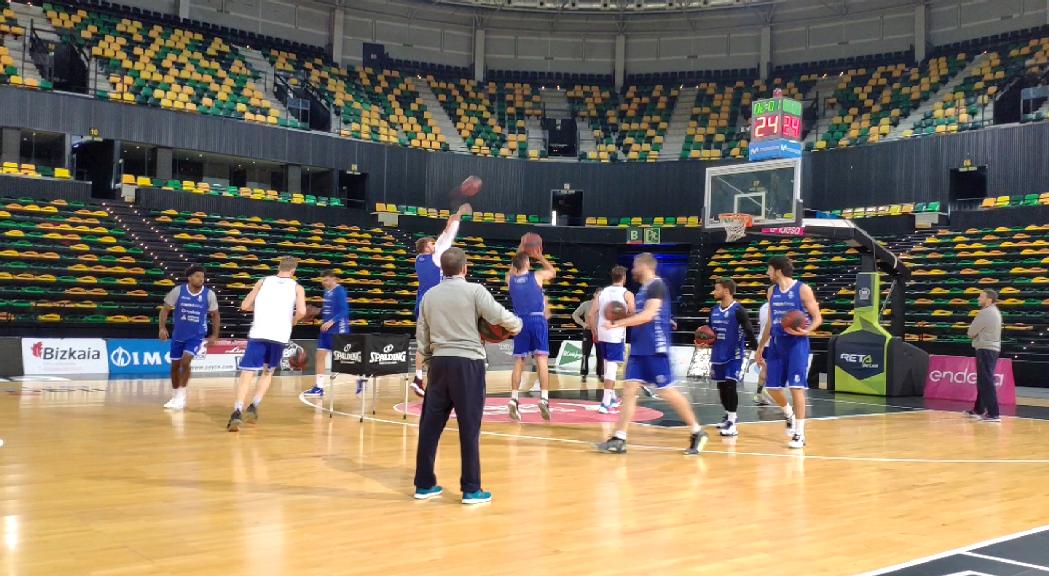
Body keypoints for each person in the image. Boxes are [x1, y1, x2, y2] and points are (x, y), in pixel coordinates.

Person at [414, 247, 522, 504]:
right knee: (469, 428)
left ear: (442, 270)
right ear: (465, 268)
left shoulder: (429, 296)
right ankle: (471, 489)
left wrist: (430, 363)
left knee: (429, 427)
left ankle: (424, 484)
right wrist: (517, 326)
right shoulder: (475, 291)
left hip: (439, 364)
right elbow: (499, 316)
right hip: (468, 365)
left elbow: (422, 336)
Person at [596, 253, 709, 455]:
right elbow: (644, 314)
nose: (632, 270)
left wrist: (616, 323)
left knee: (666, 391)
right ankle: (619, 438)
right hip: (640, 348)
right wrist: (624, 315)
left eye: (635, 265)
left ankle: (697, 430)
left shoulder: (657, 285)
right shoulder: (642, 290)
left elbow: (648, 315)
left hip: (655, 349)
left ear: (645, 266)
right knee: (630, 390)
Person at [227, 256, 307, 432]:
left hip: (259, 333)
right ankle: (254, 406)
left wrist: (262, 308)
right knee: (267, 372)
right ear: (293, 271)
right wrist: (292, 321)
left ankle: (237, 410)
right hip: (279, 336)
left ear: (279, 267)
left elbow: (245, 305)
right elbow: (302, 311)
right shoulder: (297, 287)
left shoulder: (262, 281)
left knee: (247, 373)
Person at [755, 256, 823, 449]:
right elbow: (770, 321)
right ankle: (789, 415)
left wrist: (808, 330)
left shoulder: (802, 289)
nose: (767, 273)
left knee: (796, 388)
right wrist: (760, 347)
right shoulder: (771, 291)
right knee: (772, 387)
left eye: (769, 269)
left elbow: (818, 317)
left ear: (777, 270)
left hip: (797, 344)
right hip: (777, 344)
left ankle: (800, 434)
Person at [412, 203, 469, 397]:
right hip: (435, 304)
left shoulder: (418, 260)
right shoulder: (436, 258)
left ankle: (418, 378)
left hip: (421, 304)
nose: (434, 244)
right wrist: (458, 215)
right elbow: (447, 233)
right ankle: (440, 380)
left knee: (423, 344)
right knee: (440, 343)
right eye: (431, 243)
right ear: (427, 247)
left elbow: (442, 238)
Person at [158, 263, 220, 411]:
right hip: (178, 334)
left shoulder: (209, 294)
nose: (201, 279)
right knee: (175, 366)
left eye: (203, 276)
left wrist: (214, 335)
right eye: (198, 276)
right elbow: (165, 310)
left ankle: (181, 395)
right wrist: (162, 327)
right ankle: (174, 396)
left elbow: (215, 315)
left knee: (185, 361)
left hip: (196, 335)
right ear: (189, 278)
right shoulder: (178, 291)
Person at [507, 250, 556, 421]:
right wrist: (541, 257)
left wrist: (518, 253)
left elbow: (511, 270)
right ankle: (544, 398)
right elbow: (553, 272)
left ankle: (514, 399)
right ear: (527, 263)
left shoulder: (510, 280)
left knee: (519, 362)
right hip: (537, 319)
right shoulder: (537, 276)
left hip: (519, 322)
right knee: (541, 359)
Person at [708, 278, 757, 437]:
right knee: (721, 387)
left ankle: (732, 421)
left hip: (734, 355)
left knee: (730, 385)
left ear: (726, 291)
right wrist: (704, 342)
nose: (714, 292)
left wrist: (757, 351)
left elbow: (749, 331)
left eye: (717, 289)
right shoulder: (713, 310)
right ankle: (727, 415)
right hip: (717, 354)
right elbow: (710, 334)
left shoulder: (738, 310)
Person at [588, 265, 635, 414]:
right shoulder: (627, 294)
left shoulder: (601, 293)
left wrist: (594, 331)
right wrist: (621, 316)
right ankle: (605, 403)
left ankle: (612, 397)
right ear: (624, 278)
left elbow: (590, 315)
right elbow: (633, 313)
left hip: (602, 332)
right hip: (616, 333)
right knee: (612, 369)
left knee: (608, 366)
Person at [304, 270, 350, 397]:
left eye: (326, 280)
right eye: (322, 280)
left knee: (347, 360)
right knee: (319, 356)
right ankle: (319, 388)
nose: (324, 283)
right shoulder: (326, 292)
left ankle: (360, 380)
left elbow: (344, 311)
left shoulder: (339, 291)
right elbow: (329, 309)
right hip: (326, 329)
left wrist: (331, 322)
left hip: (339, 330)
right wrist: (317, 311)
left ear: (333, 278)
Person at [966, 288, 1003, 422]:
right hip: (991, 349)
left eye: (981, 296)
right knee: (984, 380)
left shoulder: (985, 313)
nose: (978, 299)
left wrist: (974, 333)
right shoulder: (995, 311)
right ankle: (979, 409)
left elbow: (970, 332)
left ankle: (994, 414)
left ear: (989, 299)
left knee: (986, 381)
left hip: (986, 349)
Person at [571, 292, 602, 382]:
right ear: (594, 294)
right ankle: (584, 374)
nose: (600, 296)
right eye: (599, 294)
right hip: (588, 331)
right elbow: (574, 314)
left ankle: (600, 374)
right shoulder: (586, 304)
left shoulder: (604, 305)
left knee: (600, 354)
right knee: (585, 354)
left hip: (599, 332)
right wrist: (583, 324)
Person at [753, 302, 773, 406]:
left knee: (764, 368)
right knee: (770, 369)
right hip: (771, 342)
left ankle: (759, 393)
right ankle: (766, 391)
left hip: (762, 341)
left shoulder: (763, 307)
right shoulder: (776, 305)